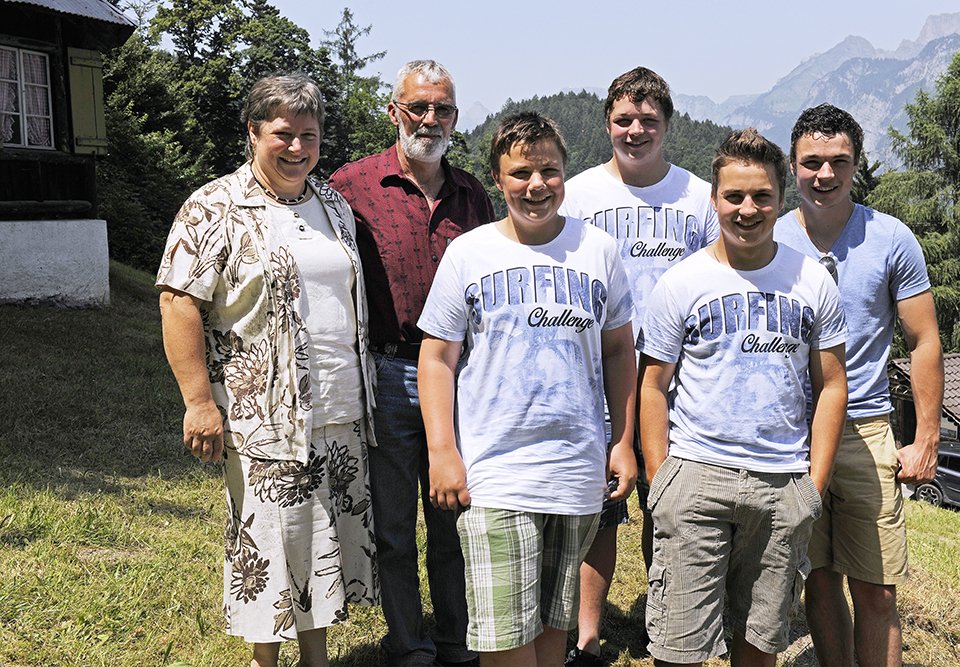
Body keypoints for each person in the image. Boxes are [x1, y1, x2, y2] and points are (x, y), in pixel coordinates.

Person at [157, 72, 378, 667]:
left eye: (309, 135)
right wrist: (199, 401)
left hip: (342, 406)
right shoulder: (214, 206)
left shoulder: (332, 203)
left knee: (321, 540)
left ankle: (317, 658)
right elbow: (178, 301)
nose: (297, 147)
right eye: (283, 133)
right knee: (270, 544)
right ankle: (265, 661)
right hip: (265, 417)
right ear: (254, 133)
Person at [417, 111, 637, 667]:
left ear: (565, 172)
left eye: (549, 171)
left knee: (550, 632)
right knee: (505, 645)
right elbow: (437, 356)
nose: (536, 185)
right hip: (497, 472)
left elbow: (618, 352)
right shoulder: (469, 254)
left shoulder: (599, 251)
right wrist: (442, 449)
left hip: (575, 471)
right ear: (497, 177)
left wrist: (623, 441)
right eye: (521, 173)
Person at [638, 128, 848, 666]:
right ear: (714, 200)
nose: (747, 209)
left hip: (781, 484)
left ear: (781, 200)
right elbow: (653, 386)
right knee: (677, 646)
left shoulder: (813, 282)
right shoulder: (682, 283)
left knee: (758, 646)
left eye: (761, 197)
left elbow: (831, 386)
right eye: (734, 196)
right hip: (695, 475)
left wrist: (813, 487)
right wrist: (661, 478)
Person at [328, 60, 494, 667]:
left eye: (442, 109)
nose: (430, 119)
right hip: (389, 369)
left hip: (459, 373)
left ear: (455, 116)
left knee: (455, 515)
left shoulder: (473, 192)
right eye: (418, 107)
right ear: (394, 110)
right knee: (394, 523)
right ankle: (409, 644)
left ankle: (456, 640)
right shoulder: (351, 186)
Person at [773, 103, 944, 667]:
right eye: (812, 162)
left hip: (866, 431)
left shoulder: (891, 238)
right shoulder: (767, 240)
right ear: (792, 165)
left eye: (838, 162)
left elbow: (923, 341)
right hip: (790, 434)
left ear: (856, 164)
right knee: (818, 582)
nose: (824, 174)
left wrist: (925, 440)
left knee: (876, 589)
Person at [559, 66, 718, 665]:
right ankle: (587, 636)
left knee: (672, 504)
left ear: (667, 125)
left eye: (648, 120)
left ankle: (668, 625)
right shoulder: (577, 195)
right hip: (598, 375)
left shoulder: (698, 197)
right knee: (601, 508)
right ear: (607, 124)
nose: (636, 130)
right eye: (624, 119)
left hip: (684, 379)